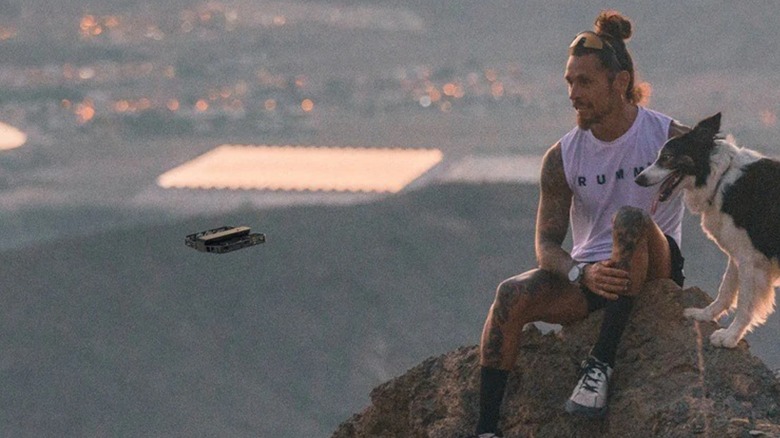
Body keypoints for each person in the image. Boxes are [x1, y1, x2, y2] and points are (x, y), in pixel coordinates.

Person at [471, 10, 688, 438]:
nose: (573, 93)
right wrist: (580, 272)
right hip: (591, 277)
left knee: (629, 219)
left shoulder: (668, 137)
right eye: (569, 82)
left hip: (654, 265)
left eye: (584, 82)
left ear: (620, 82)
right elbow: (546, 243)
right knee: (510, 294)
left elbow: (730, 174)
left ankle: (600, 365)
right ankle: (485, 429)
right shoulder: (563, 156)